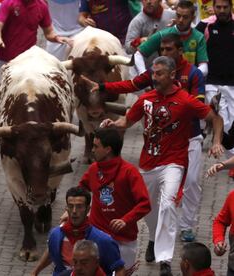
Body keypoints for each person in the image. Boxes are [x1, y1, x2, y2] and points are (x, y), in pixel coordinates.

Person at [100, 56, 223, 275]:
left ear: (172, 75)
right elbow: (127, 122)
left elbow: (215, 117)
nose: (154, 77)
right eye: (153, 73)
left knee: (168, 204)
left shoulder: (185, 100)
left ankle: (164, 259)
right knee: (147, 208)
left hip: (174, 162)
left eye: (159, 73)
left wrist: (216, 142)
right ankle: (155, 237)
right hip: (148, 163)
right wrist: (113, 124)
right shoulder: (146, 99)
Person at [85, 34, 206, 243]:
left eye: (169, 50)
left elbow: (198, 106)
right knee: (155, 198)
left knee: (192, 183)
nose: (165, 53)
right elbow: (131, 85)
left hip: (191, 136)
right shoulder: (155, 73)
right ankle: (154, 236)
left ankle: (186, 225)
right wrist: (104, 87)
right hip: (161, 144)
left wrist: (177, 107)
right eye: (162, 50)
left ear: (180, 51)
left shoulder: (194, 74)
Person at [72, 128, 151, 271]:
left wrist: (125, 220)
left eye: (96, 146)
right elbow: (81, 189)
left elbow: (145, 204)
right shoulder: (93, 169)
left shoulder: (130, 172)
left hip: (123, 241)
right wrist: (73, 208)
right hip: (96, 238)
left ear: (108, 149)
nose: (92, 149)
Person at [31, 187, 125, 276]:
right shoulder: (55, 234)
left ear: (88, 209)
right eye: (71, 206)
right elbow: (51, 252)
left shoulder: (104, 241)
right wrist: (35, 272)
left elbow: (119, 269)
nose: (74, 211)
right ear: (66, 208)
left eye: (79, 206)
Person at [196, 0, 234, 178]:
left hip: (233, 84)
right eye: (218, 7)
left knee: (232, 124)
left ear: (231, 7)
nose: (222, 11)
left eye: (225, 7)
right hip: (213, 83)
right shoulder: (205, 26)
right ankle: (230, 161)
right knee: (223, 122)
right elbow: (189, 40)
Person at [0, 0, 71, 80]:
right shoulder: (8, 2)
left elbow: (49, 32)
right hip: (5, 59)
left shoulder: (42, 6)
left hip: (28, 60)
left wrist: (56, 37)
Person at [135, 1, 208, 76]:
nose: (180, 20)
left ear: (193, 18)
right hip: (166, 82)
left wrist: (191, 75)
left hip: (188, 82)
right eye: (178, 16)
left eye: (185, 17)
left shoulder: (199, 37)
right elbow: (138, 54)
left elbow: (204, 67)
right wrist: (143, 75)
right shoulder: (163, 34)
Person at [125, 0, 175, 74]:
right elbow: (128, 48)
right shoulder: (137, 21)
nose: (148, 2)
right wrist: (139, 41)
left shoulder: (173, 16)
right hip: (146, 72)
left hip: (171, 69)